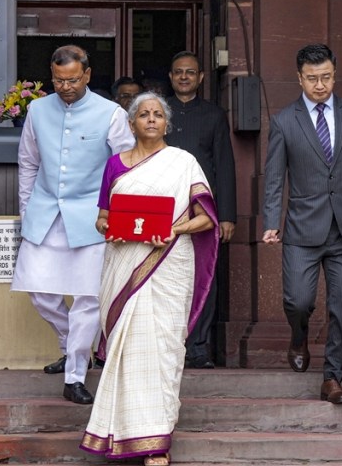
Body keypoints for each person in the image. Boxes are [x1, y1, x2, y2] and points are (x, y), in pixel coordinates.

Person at [81, 92, 218, 466]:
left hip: (169, 262)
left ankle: (156, 443)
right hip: (124, 261)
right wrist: (114, 229)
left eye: (159, 114)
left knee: (162, 350)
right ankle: (117, 433)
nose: (152, 119)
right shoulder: (114, 165)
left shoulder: (183, 162)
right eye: (145, 114)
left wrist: (176, 228)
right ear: (132, 123)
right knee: (128, 351)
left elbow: (207, 217)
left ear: (166, 123)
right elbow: (102, 218)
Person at [11, 44, 135, 405]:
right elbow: (28, 164)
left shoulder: (110, 113)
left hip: (93, 220)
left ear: (87, 75)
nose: (65, 87)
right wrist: (26, 209)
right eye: (58, 80)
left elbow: (125, 168)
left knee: (87, 300)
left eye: (72, 80)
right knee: (38, 292)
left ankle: (76, 374)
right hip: (45, 214)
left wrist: (116, 216)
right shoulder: (36, 109)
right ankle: (72, 345)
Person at [261, 43, 342, 405]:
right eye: (312, 79)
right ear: (300, 78)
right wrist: (270, 221)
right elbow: (274, 177)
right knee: (298, 300)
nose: (320, 85)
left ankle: (332, 378)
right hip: (301, 229)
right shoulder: (284, 121)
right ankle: (298, 335)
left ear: (334, 74)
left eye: (326, 77)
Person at [164, 51, 236, 369]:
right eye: (178, 72)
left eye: (190, 72)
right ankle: (168, 345)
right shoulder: (158, 113)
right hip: (163, 207)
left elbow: (225, 166)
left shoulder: (214, 115)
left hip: (202, 212)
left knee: (203, 277)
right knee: (165, 277)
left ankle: (199, 347)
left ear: (201, 77)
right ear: (170, 76)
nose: (184, 77)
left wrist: (228, 215)